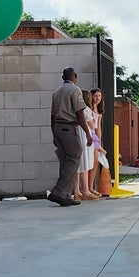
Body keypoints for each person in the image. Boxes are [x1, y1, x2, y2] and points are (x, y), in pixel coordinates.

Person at [47, 67, 85, 207]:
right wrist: (87, 132)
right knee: (74, 158)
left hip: (58, 128)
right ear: (75, 76)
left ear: (63, 78)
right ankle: (59, 191)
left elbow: (52, 116)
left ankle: (66, 195)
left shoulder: (56, 93)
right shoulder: (75, 90)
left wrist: (54, 135)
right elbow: (80, 113)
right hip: (69, 127)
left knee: (65, 161)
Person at [75, 89, 101, 200]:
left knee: (77, 166)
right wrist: (97, 119)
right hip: (85, 136)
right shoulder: (86, 110)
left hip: (76, 135)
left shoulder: (75, 109)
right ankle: (85, 189)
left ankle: (77, 191)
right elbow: (93, 126)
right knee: (85, 164)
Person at [88, 88, 112, 196]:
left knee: (95, 162)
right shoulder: (89, 109)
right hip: (89, 135)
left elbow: (98, 128)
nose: (97, 98)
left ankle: (90, 186)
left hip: (95, 137)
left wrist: (99, 142)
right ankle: (88, 187)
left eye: (99, 96)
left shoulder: (99, 110)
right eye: (95, 96)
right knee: (90, 162)